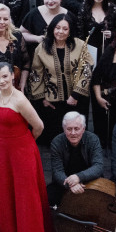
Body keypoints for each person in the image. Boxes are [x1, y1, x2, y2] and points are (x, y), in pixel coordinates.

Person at [0, 62, 54, 232]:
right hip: (4, 151)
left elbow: (39, 126)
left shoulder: (20, 100)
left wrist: (26, 144)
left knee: (27, 196)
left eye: (4, 77)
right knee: (8, 191)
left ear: (12, 76)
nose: (1, 81)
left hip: (22, 150)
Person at [27, 13, 92, 144]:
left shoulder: (80, 45)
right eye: (57, 28)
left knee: (77, 139)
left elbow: (87, 70)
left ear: (70, 31)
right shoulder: (42, 47)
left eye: (65, 29)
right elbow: (36, 74)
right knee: (55, 140)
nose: (60, 32)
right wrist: (43, 99)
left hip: (77, 101)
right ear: (52, 28)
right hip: (52, 103)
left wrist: (75, 95)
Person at [47, 111, 103, 207]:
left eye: (76, 129)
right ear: (64, 129)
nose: (73, 133)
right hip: (64, 182)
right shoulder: (56, 142)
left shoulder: (93, 139)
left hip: (90, 180)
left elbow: (98, 166)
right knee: (48, 196)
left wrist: (78, 177)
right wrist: (71, 184)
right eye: (69, 129)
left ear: (83, 129)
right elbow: (57, 172)